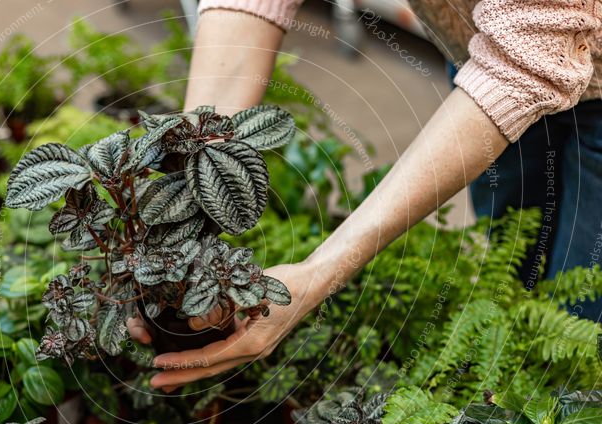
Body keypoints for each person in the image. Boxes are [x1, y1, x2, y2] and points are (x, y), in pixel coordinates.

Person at [129, 0, 602, 391]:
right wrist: (188, 203)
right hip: (489, 40)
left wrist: (320, 273)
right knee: (509, 242)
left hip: (541, 56)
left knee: (577, 309)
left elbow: (524, 61)